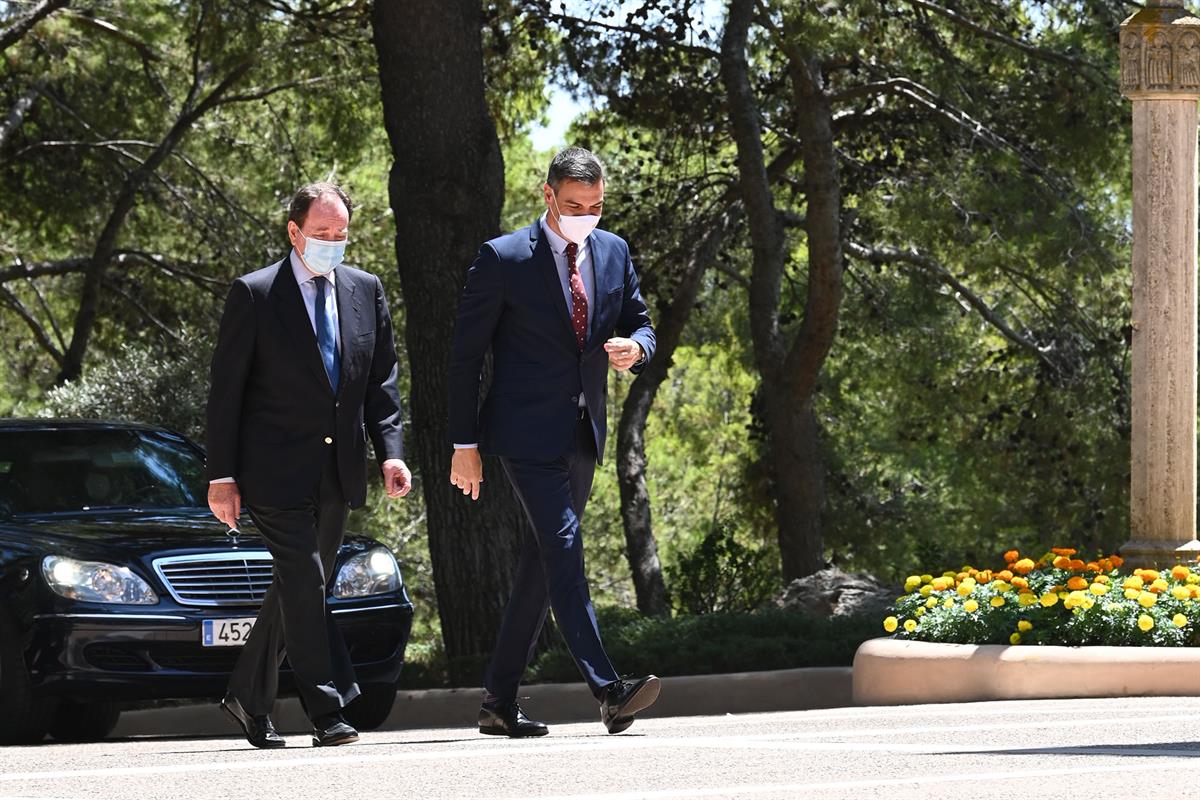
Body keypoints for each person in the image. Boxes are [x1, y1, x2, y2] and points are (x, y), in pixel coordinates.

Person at [448, 147, 660, 737]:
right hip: (524, 434)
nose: (585, 216)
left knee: (542, 565)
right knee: (564, 548)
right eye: (573, 205)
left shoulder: (614, 251)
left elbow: (642, 320)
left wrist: (637, 348)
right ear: (548, 196)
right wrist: (464, 443)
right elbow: (465, 359)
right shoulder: (503, 257)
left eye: (595, 206)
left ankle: (498, 700)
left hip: (583, 431)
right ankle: (608, 689)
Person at [206, 182, 411, 748]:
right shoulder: (254, 294)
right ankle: (329, 710)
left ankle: (247, 698)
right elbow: (226, 392)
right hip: (271, 470)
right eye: (322, 234)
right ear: (294, 233)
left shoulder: (365, 290)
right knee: (305, 578)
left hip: (338, 468)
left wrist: (391, 455)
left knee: (298, 589)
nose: (333, 243)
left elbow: (381, 386)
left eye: (341, 233)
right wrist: (220, 477)